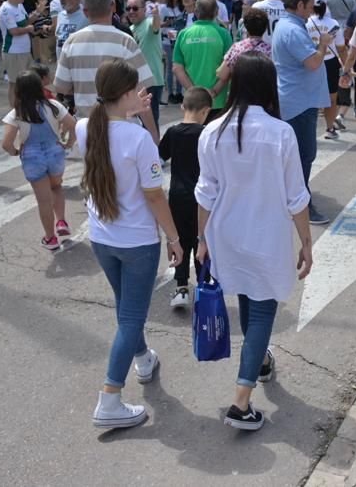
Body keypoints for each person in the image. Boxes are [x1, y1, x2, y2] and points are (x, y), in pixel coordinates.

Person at [194, 52, 314, 431]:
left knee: (247, 296)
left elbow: (205, 193)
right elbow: (297, 196)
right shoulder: (281, 133)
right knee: (262, 310)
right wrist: (307, 242)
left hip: (226, 234)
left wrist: (202, 239)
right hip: (266, 235)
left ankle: (259, 361)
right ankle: (241, 402)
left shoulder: (212, 130)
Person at [76, 59, 183, 429]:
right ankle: (110, 397)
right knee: (131, 315)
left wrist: (136, 113)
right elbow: (155, 195)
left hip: (102, 237)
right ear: (126, 94)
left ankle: (142, 356)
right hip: (137, 242)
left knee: (126, 308)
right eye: (135, 92)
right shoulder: (137, 138)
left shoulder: (84, 127)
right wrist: (174, 237)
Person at [53, 0, 159, 143]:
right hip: (123, 126)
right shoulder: (125, 41)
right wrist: (154, 137)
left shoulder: (71, 42)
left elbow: (61, 87)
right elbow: (142, 91)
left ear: (85, 11)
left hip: (88, 127)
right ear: (113, 6)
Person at [271, 0, 333, 225]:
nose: (312, 10)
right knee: (303, 155)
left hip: (298, 99)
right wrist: (323, 44)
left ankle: (295, 199)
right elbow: (313, 63)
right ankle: (301, 203)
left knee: (299, 154)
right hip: (298, 102)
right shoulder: (292, 30)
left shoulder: (289, 26)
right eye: (310, 5)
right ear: (299, 5)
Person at [2, 70, 75, 249]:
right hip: (55, 151)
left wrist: (15, 151)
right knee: (56, 187)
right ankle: (62, 222)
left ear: (18, 91)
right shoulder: (53, 105)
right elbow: (73, 125)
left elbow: (6, 143)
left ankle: (50, 239)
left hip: (32, 156)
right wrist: (68, 143)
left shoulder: (17, 112)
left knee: (43, 200)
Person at [158, 86, 212, 308]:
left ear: (182, 107)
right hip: (203, 199)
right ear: (206, 110)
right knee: (201, 241)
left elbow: (160, 155)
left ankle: (181, 287)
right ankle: (202, 286)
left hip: (177, 197)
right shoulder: (207, 134)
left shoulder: (173, 132)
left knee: (179, 241)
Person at [172, 0, 233, 115]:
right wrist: (214, 92)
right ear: (217, 12)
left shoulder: (183, 34)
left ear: (195, 11)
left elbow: (177, 68)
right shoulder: (224, 34)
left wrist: (193, 92)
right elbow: (229, 67)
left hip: (192, 102)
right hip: (217, 101)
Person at [306, 0, 348, 140]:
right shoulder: (334, 24)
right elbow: (341, 48)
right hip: (330, 62)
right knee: (331, 98)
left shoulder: (306, 23)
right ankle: (330, 128)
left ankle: (308, 130)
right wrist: (347, 66)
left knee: (310, 96)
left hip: (311, 60)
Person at [0, 0, 48, 105]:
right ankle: (15, 110)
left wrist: (38, 12)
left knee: (29, 80)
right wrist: (28, 29)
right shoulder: (6, 9)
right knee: (15, 83)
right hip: (13, 52)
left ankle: (26, 105)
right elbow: (13, 31)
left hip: (25, 51)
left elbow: (26, 22)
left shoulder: (19, 6)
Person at [126, 0, 165, 126]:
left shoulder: (149, 23)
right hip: (134, 82)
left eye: (135, 8)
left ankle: (155, 146)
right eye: (129, 8)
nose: (131, 11)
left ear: (144, 10)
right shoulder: (129, 30)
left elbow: (155, 26)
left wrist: (155, 15)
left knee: (151, 122)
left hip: (151, 81)